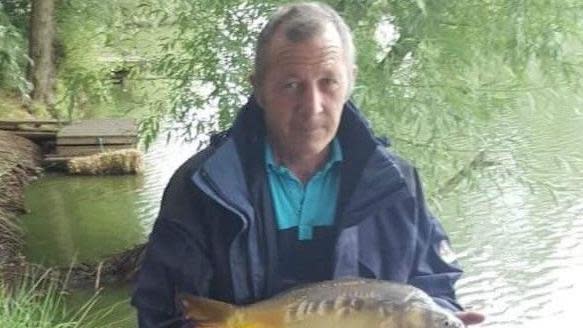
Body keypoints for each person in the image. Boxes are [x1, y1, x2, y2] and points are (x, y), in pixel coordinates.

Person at [132, 2, 485, 327]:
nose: (312, 105)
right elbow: (163, 311)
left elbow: (434, 284)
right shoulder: (201, 187)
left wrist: (444, 317)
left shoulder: (397, 183)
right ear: (258, 88)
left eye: (328, 82)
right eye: (291, 85)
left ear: (350, 81)